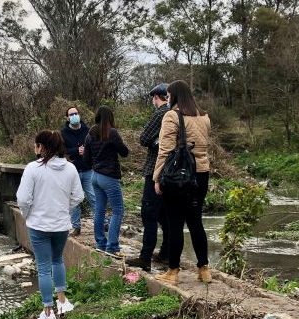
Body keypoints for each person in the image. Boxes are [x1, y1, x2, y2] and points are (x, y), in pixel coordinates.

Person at [16, 130, 84, 319]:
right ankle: (62, 301)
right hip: (61, 224)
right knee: (57, 260)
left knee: (43, 268)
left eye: (36, 144)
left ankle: (48, 312)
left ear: (42, 147)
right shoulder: (70, 168)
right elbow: (78, 196)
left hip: (39, 225)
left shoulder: (33, 168)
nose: (34, 148)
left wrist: (28, 214)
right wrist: (64, 208)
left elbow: (23, 198)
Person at [152, 80, 212, 285]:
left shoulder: (172, 116)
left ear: (175, 96)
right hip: (201, 174)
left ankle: (173, 272)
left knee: (175, 223)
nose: (167, 100)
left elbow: (165, 150)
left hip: (178, 176)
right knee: (196, 221)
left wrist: (157, 178)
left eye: (168, 96)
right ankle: (204, 269)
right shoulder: (204, 117)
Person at [126, 83, 170, 272]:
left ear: (156, 98)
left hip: (155, 170)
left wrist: (154, 142)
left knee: (149, 213)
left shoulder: (160, 114)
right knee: (165, 215)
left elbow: (143, 138)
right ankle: (166, 253)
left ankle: (145, 258)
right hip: (172, 173)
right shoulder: (179, 114)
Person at [83, 106, 129, 255]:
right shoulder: (112, 132)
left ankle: (100, 243)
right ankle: (112, 246)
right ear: (110, 118)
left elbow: (86, 160)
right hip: (109, 176)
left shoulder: (90, 134)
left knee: (99, 210)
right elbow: (124, 152)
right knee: (117, 210)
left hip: (95, 176)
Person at [61, 107, 95, 237]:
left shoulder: (88, 130)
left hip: (88, 169)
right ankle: (76, 227)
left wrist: (86, 151)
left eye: (76, 113)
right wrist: (76, 151)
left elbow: (95, 146)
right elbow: (62, 150)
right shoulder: (63, 133)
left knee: (94, 198)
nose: (74, 116)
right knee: (74, 201)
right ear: (67, 118)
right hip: (72, 171)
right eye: (71, 114)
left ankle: (102, 223)